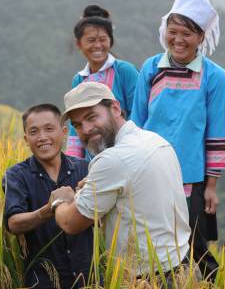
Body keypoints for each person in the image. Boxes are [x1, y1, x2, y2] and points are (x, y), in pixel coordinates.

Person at [130, 0, 225, 282]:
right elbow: (137, 121)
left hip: (192, 176)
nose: (178, 39)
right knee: (152, 240)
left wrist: (211, 186)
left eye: (187, 33)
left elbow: (217, 133)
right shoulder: (151, 68)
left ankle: (211, 283)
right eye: (172, 32)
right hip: (150, 171)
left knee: (195, 243)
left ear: (201, 36)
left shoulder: (215, 77)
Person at [49, 82, 191, 284]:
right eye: (78, 125)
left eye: (91, 117)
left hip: (148, 280)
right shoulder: (156, 141)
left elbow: (71, 223)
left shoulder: (112, 160)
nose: (86, 129)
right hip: (182, 268)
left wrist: (60, 202)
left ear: (115, 108)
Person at [3, 104, 93, 289]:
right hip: (43, 281)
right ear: (26, 139)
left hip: (89, 279)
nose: (43, 137)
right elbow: (13, 223)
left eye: (49, 129)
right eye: (34, 132)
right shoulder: (16, 175)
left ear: (64, 131)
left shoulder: (86, 169)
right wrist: (50, 208)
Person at [66, 4, 139, 160]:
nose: (97, 45)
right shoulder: (78, 80)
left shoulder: (125, 71)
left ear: (110, 41)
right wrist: (74, 164)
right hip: (91, 162)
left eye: (102, 39)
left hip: (126, 156)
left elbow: (138, 113)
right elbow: (75, 127)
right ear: (79, 43)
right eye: (91, 40)